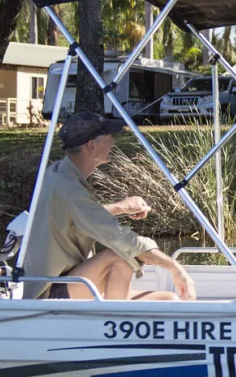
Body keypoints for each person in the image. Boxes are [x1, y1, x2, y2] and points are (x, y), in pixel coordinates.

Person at [21, 111, 196, 301]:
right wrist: (174, 267)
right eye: (109, 137)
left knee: (169, 300)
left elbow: (79, 216)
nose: (113, 143)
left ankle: (113, 319)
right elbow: (121, 239)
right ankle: (111, 323)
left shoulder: (59, 174)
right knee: (118, 256)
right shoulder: (70, 189)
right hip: (50, 293)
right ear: (91, 145)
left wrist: (121, 207)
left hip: (71, 284)